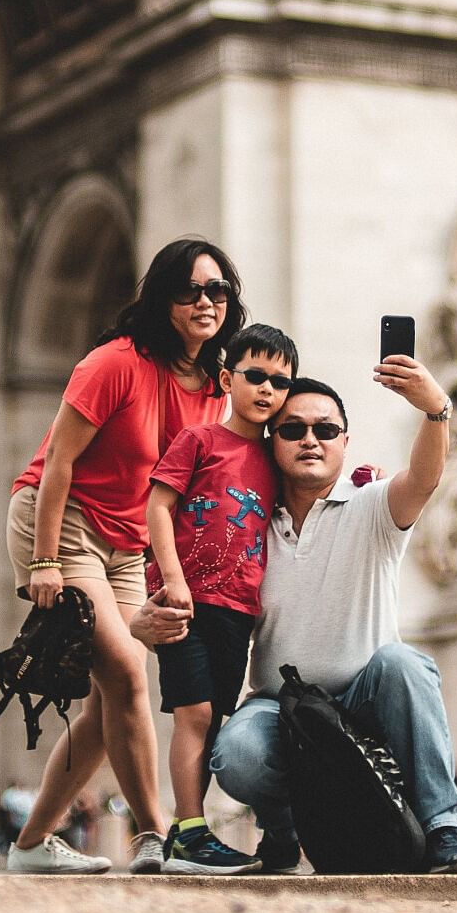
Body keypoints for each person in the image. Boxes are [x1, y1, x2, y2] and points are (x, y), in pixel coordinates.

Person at [4, 238, 243, 875]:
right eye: (190, 290)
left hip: (126, 545)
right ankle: (161, 838)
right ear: (162, 297)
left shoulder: (216, 385)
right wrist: (45, 562)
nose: (205, 302)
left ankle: (29, 846)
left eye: (217, 290)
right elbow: (58, 463)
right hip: (61, 524)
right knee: (130, 677)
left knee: (107, 700)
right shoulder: (113, 363)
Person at [196, 360, 457, 875]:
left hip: (368, 696)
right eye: (293, 429)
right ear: (271, 442)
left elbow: (425, 476)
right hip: (280, 706)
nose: (310, 439)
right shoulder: (246, 526)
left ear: (344, 443)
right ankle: (280, 833)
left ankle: (444, 831)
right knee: (236, 754)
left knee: (405, 665)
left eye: (325, 430)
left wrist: (436, 409)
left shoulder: (374, 506)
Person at [144, 323, 299, 874]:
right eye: (255, 376)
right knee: (196, 713)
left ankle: (191, 835)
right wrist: (173, 577)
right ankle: (187, 831)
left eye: (280, 382)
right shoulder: (199, 440)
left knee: (213, 721)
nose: (267, 390)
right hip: (184, 603)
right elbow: (157, 508)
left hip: (239, 611)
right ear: (228, 378)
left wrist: (363, 475)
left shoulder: (277, 462)